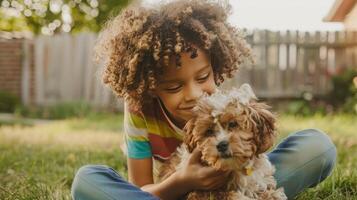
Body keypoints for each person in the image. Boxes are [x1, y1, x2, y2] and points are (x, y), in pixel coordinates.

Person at [71, 0, 337, 199]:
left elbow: (256, 154)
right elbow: (142, 190)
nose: (194, 94)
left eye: (203, 77)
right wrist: (182, 181)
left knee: (318, 146)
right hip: (172, 193)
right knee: (87, 179)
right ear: (150, 88)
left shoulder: (225, 101)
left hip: (242, 182)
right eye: (174, 86)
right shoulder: (140, 111)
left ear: (216, 66)